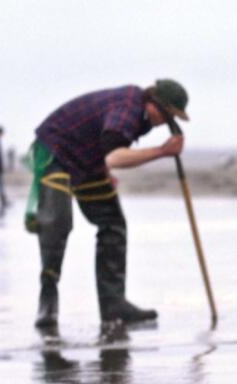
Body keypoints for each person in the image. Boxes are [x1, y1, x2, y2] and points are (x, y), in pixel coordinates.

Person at [26, 79, 188, 329]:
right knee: (57, 226)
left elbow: (105, 148)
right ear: (154, 104)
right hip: (56, 152)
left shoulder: (141, 114)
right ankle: (47, 301)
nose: (165, 123)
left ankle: (113, 304)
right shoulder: (129, 110)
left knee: (112, 223)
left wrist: (103, 168)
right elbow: (115, 155)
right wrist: (161, 151)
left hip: (87, 161)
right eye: (166, 116)